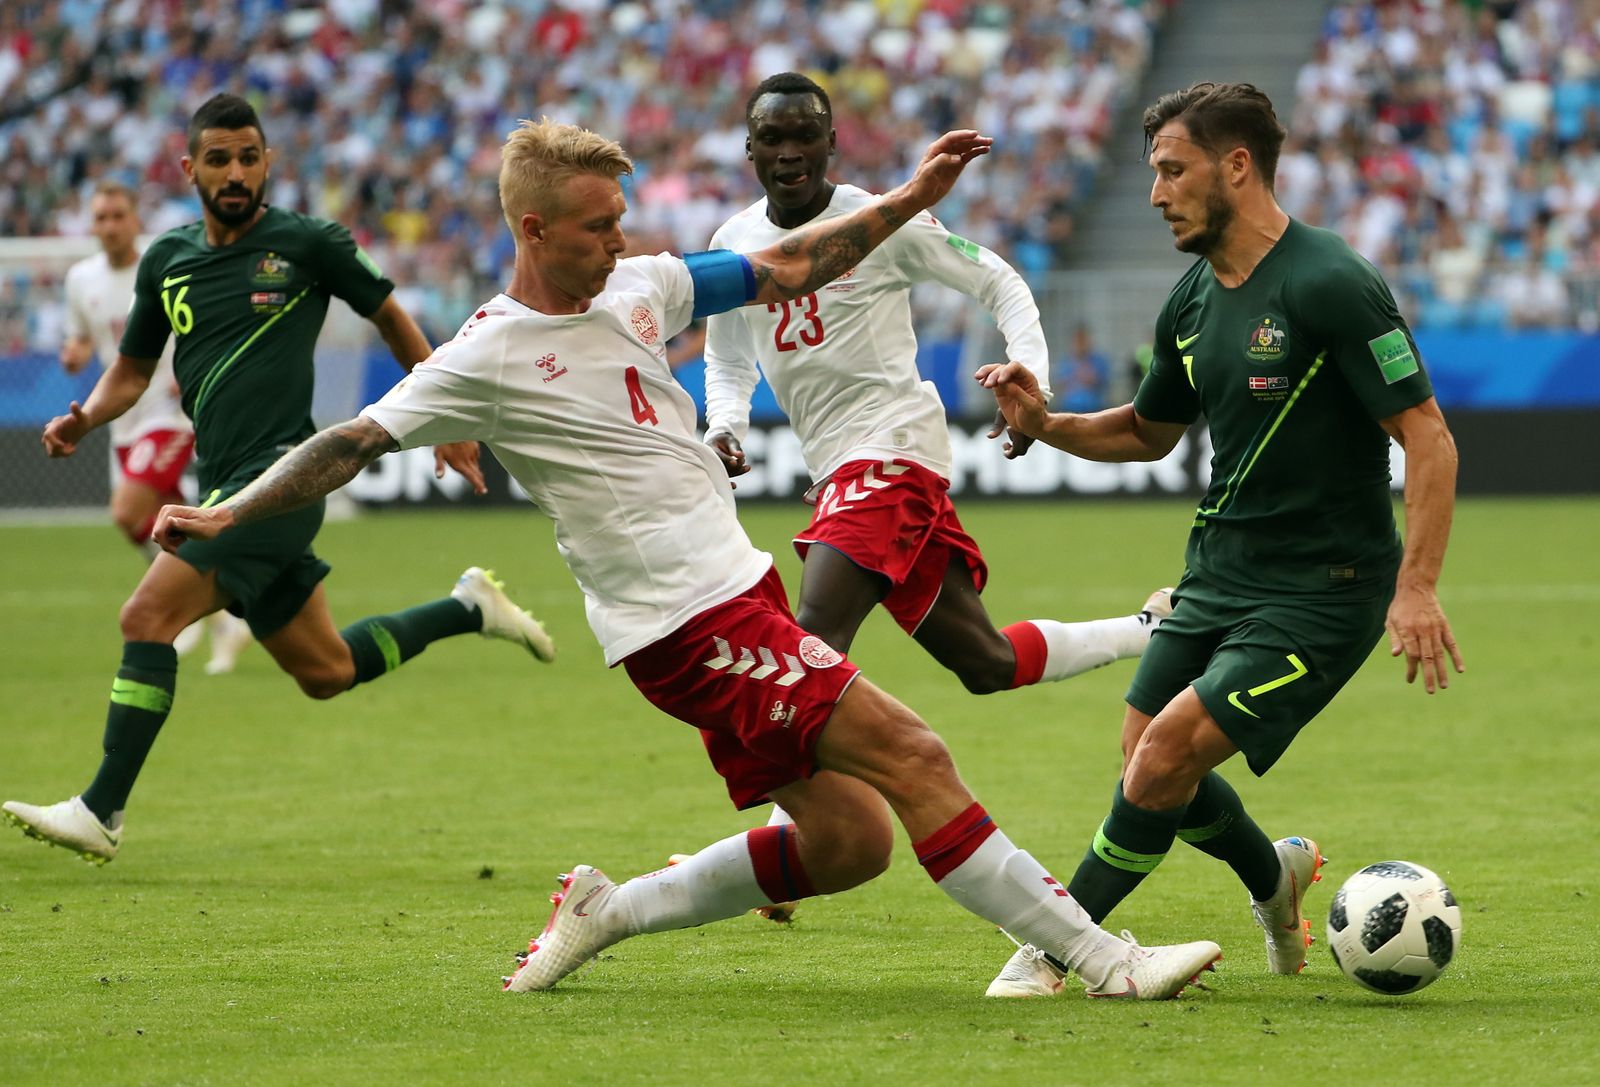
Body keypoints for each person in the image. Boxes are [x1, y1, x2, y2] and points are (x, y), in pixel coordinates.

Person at [151, 117, 1223, 1000]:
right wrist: (228, 514)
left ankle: (606, 908)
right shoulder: (480, 355)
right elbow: (349, 442)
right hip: (687, 625)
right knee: (915, 753)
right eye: (595, 226)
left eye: (620, 220)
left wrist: (903, 197)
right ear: (532, 228)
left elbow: (794, 261)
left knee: (849, 842)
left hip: (736, 593)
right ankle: (1102, 960)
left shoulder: (642, 287)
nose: (619, 242)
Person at [977, 82, 1463, 997]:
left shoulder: (1329, 281)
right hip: (1218, 572)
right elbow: (1147, 431)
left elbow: (1427, 434)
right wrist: (1047, 424)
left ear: (1236, 166)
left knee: (1163, 758)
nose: (1155, 194)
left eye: (1171, 170)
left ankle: (1057, 950)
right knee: (1144, 759)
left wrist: (1418, 585)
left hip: (1323, 590)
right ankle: (1272, 879)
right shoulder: (1192, 299)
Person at [2, 94, 554, 866]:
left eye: (249, 156)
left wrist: (449, 416)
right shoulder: (167, 260)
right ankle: (466, 608)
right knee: (326, 671)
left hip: (281, 480)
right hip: (225, 477)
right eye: (219, 158)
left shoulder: (308, 243)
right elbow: (128, 373)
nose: (236, 172)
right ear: (188, 166)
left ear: (268, 163)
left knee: (146, 616)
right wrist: (84, 419)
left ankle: (101, 808)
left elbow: (392, 316)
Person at [701, 71, 1167, 747]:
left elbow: (996, 278)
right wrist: (725, 426)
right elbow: (727, 357)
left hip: (891, 449)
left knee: (810, 641)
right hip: (839, 466)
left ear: (832, 142)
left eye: (806, 135)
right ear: (750, 149)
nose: (790, 152)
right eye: (772, 138)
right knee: (985, 661)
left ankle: (792, 839)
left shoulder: (882, 219)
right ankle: (1152, 628)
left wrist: (1028, 372)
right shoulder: (731, 241)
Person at [60, 179, 252, 675]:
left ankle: (196, 601)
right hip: (124, 420)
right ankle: (220, 614)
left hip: (170, 413)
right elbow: (84, 335)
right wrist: (75, 352)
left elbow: (206, 323)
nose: (109, 227)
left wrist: (193, 371)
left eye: (117, 216)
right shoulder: (81, 279)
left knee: (127, 510)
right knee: (152, 525)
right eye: (100, 218)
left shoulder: (164, 266)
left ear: (134, 220)